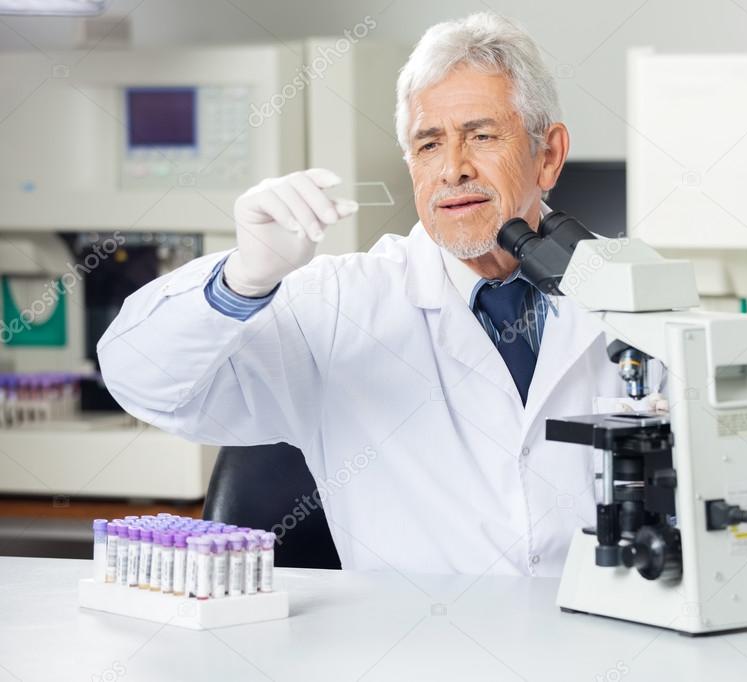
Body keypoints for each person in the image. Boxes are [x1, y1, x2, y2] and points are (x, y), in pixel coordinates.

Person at [98, 12, 658, 577]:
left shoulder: (633, 291)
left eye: (482, 136)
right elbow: (143, 381)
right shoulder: (341, 304)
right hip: (411, 653)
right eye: (429, 144)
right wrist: (242, 280)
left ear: (549, 155)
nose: (453, 170)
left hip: (599, 642)